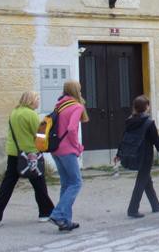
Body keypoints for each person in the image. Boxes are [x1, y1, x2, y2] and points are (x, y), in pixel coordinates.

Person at [0, 91, 54, 227]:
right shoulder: (31, 114)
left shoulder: (14, 112)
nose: (38, 101)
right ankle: (46, 212)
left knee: (7, 184)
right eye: (37, 99)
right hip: (30, 154)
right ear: (31, 101)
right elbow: (38, 134)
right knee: (39, 183)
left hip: (14, 152)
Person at [115, 96, 159, 218]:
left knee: (146, 180)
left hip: (134, 153)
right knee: (141, 181)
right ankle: (132, 209)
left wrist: (119, 154)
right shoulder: (149, 123)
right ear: (147, 107)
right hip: (146, 155)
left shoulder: (129, 121)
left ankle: (155, 205)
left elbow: (123, 138)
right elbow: (156, 140)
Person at [48, 80, 89, 232]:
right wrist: (77, 146)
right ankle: (58, 214)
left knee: (66, 184)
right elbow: (72, 129)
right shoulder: (76, 106)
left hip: (55, 149)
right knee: (76, 183)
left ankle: (65, 221)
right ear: (77, 90)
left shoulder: (59, 105)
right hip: (67, 150)